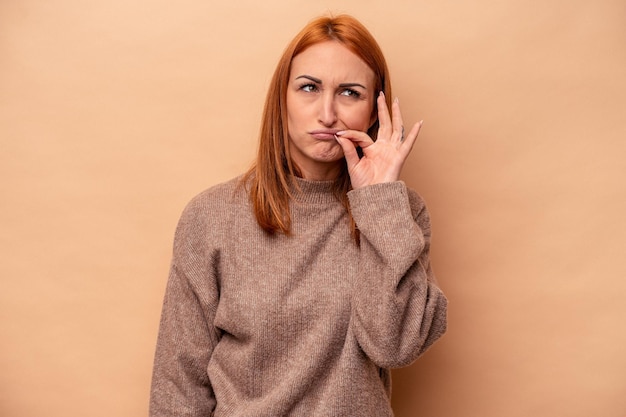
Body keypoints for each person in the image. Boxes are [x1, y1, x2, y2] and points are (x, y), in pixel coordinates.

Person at [149, 14, 447, 417]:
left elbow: (395, 346)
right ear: (282, 98)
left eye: (350, 93)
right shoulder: (211, 218)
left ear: (374, 112)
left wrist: (380, 203)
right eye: (309, 88)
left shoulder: (399, 212)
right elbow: (178, 388)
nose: (327, 113)